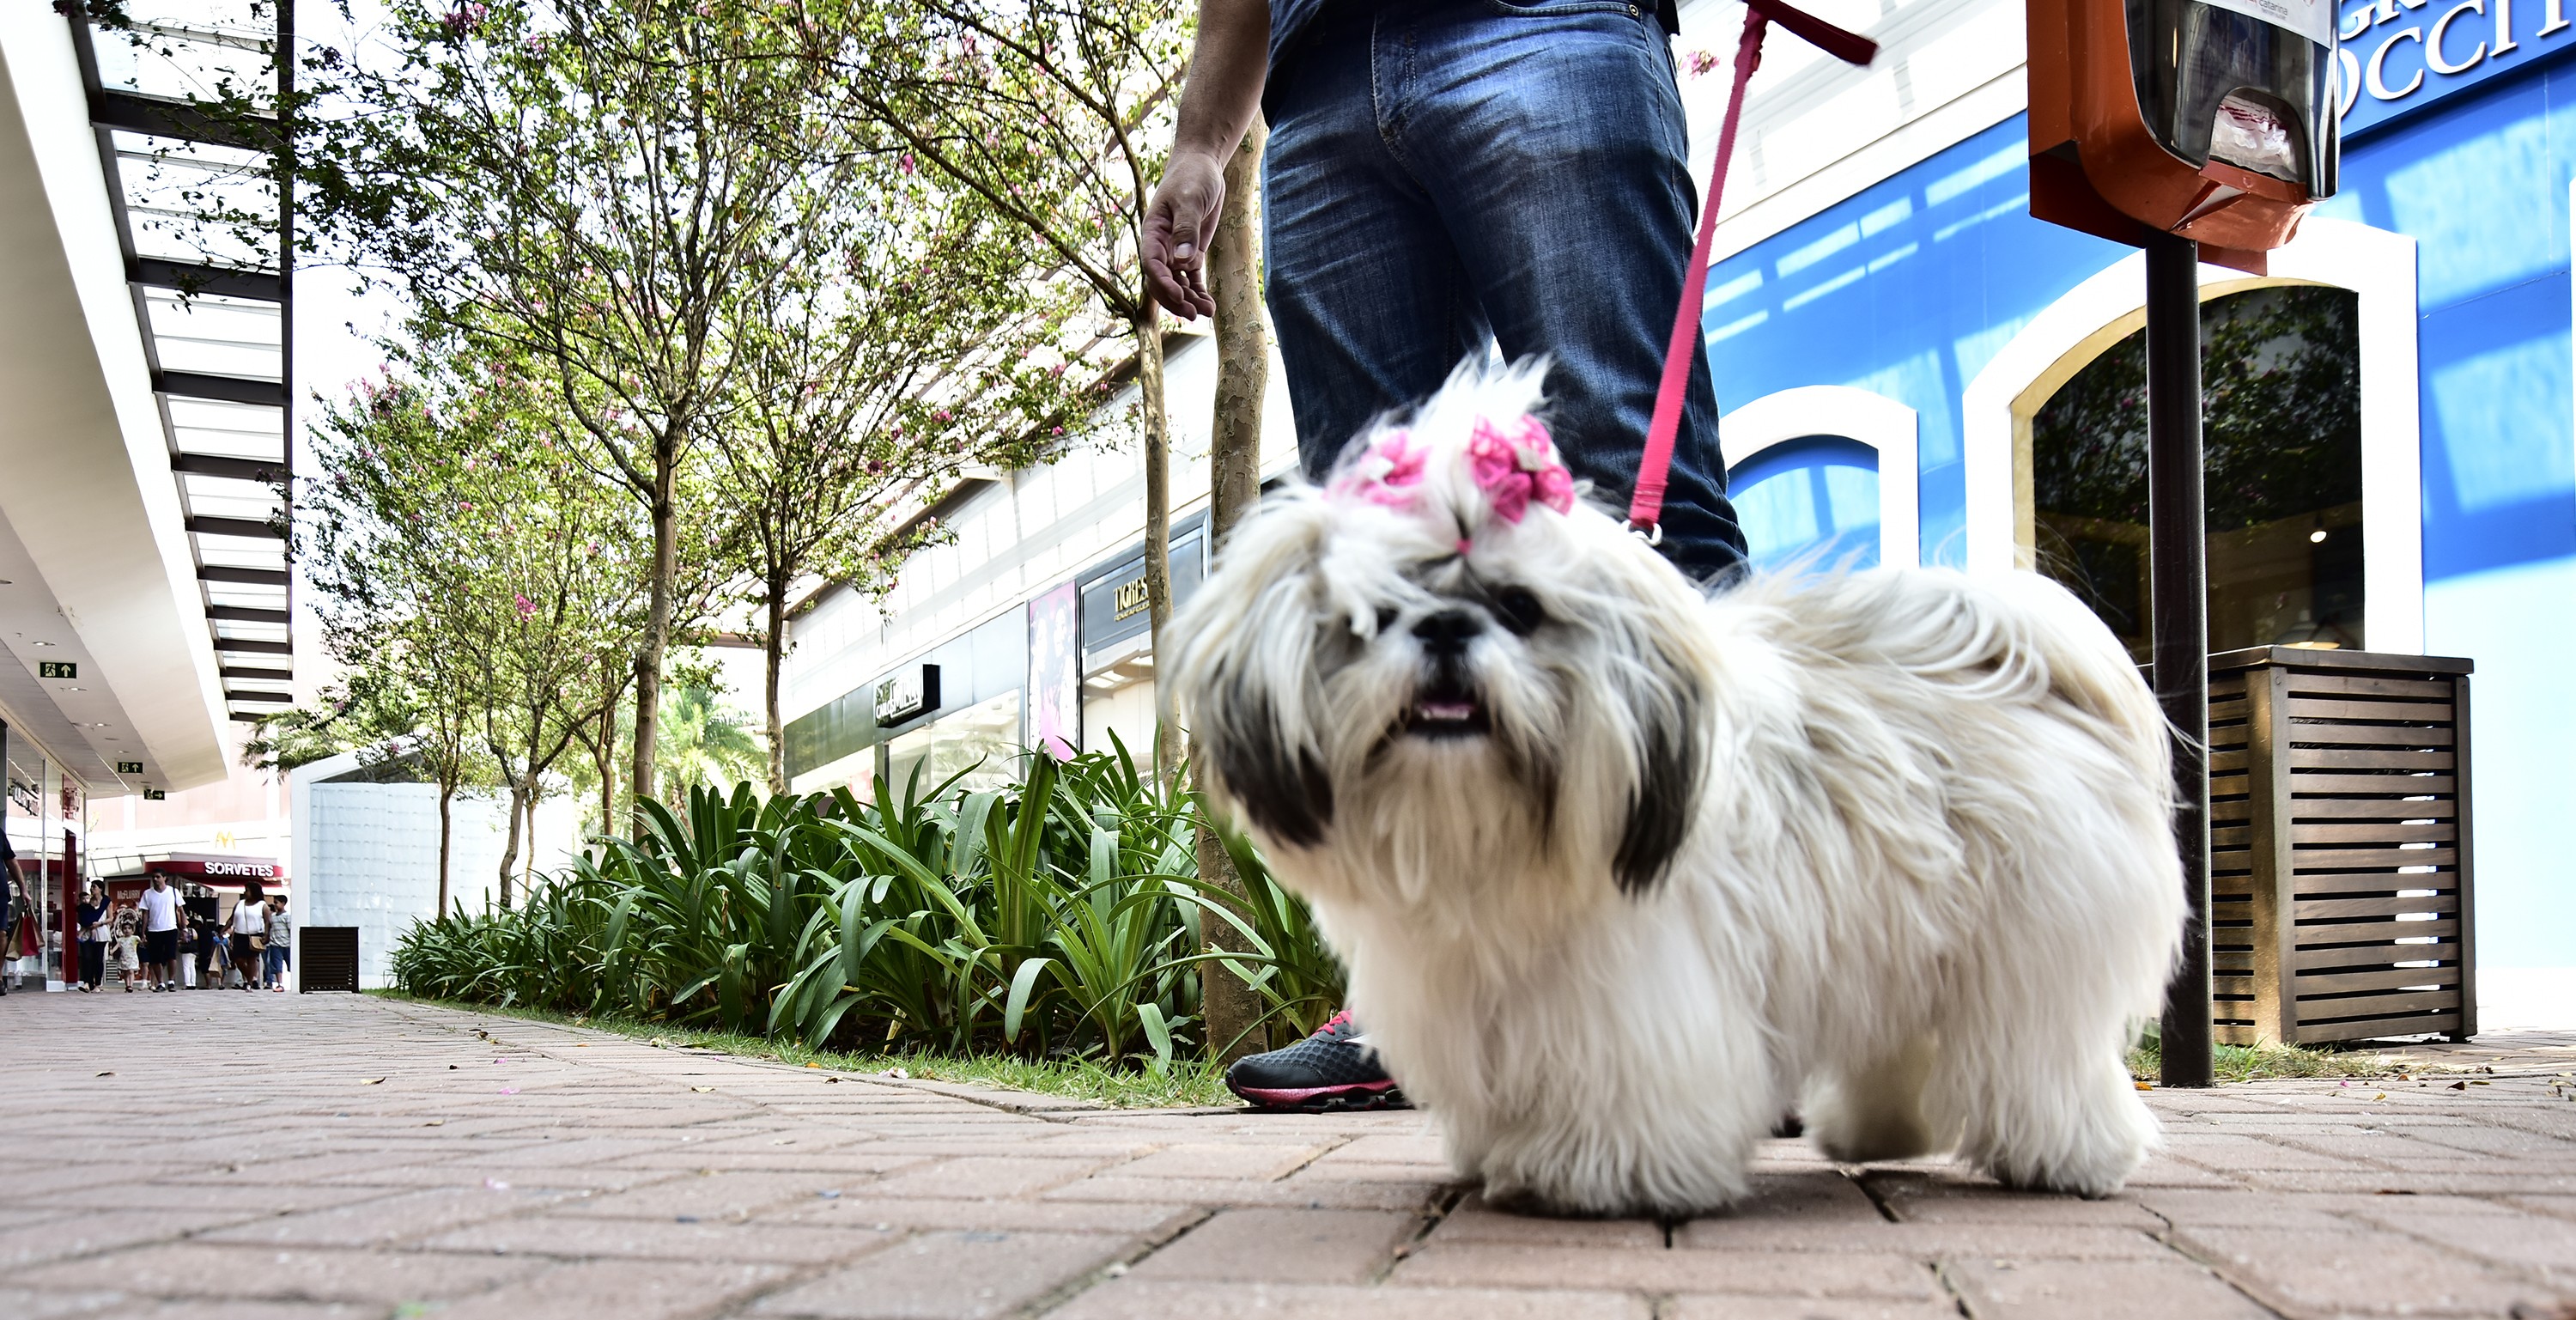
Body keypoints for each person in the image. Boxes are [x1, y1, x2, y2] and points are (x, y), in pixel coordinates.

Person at [1142, 0, 1748, 1109]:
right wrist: (1199, 141)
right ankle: (1417, 1002)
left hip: (1545, 22)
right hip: (1319, 79)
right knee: (1373, 557)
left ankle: (1736, 969)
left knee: (1644, 511)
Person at [135, 873, 184, 993]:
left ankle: (171, 981)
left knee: (171, 955)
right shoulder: (148, 894)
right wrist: (143, 931)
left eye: (158, 877)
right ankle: (160, 982)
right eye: (154, 877)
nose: (155, 879)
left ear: (164, 878)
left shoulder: (173, 892)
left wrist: (184, 927)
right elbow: (145, 913)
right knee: (156, 958)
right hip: (154, 929)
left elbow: (181, 909)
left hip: (170, 927)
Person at [228, 886, 266, 993]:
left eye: (247, 890)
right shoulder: (239, 904)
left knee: (252, 959)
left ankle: (249, 983)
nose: (245, 892)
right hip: (240, 934)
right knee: (238, 959)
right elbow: (232, 919)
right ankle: (251, 977)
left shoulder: (262, 905)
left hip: (255, 934)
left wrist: (266, 935)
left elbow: (268, 921)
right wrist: (224, 930)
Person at [76, 881, 107, 992]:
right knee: (87, 958)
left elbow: (111, 918)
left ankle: (97, 984)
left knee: (98, 959)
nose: (92, 889)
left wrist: (100, 923)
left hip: (100, 932)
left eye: (94, 887)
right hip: (87, 932)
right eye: (91, 887)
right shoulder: (87, 905)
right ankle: (87, 983)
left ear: (101, 889)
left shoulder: (106, 902)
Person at [263, 893, 292, 993]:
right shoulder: (272, 916)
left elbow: (290, 930)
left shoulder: (287, 916)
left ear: (283, 903)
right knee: (276, 965)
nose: (274, 905)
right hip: (275, 944)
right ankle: (280, 984)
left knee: (291, 964)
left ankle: (295, 982)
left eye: (276, 903)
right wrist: (266, 935)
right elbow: (268, 925)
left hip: (287, 944)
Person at [114, 911, 141, 992]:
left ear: (132, 930)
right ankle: (127, 985)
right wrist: (112, 950)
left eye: (129, 928)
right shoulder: (121, 939)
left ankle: (131, 985)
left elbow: (141, 943)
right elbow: (117, 946)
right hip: (124, 958)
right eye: (125, 929)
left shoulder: (135, 938)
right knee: (125, 972)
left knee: (131, 971)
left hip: (132, 957)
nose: (127, 930)